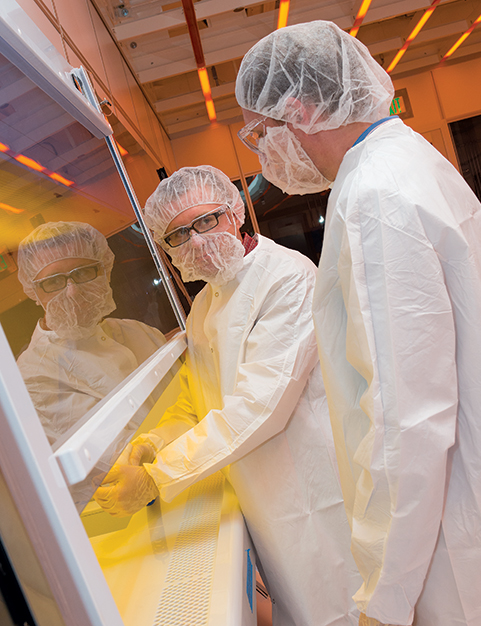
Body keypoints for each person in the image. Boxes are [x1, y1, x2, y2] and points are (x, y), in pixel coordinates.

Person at [234, 20, 481, 626]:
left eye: (263, 131)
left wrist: (384, 596)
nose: (265, 152)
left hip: (455, 529)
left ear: (299, 109)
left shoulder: (374, 194)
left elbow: (407, 419)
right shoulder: (406, 156)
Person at [94, 165, 361, 626]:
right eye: (178, 234)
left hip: (315, 483)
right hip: (267, 496)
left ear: (235, 213)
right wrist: (153, 444)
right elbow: (198, 402)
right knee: (306, 604)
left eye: (207, 220)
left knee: (341, 601)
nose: (196, 240)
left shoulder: (285, 279)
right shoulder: (204, 304)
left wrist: (158, 478)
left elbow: (259, 407)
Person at [17, 221, 166, 444]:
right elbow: (116, 454)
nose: (72, 290)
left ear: (104, 273)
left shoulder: (138, 331)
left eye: (84, 272)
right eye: (54, 281)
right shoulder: (33, 377)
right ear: (34, 292)